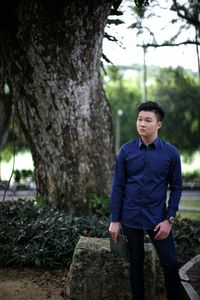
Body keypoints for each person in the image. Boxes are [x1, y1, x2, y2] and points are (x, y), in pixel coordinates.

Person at [109, 101, 182, 300]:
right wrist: (115, 219)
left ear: (158, 124)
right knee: (136, 263)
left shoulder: (171, 153)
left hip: (158, 219)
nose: (142, 124)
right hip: (130, 217)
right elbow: (118, 186)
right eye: (140, 119)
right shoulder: (126, 151)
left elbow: (176, 188)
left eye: (148, 120)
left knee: (170, 263)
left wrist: (169, 219)